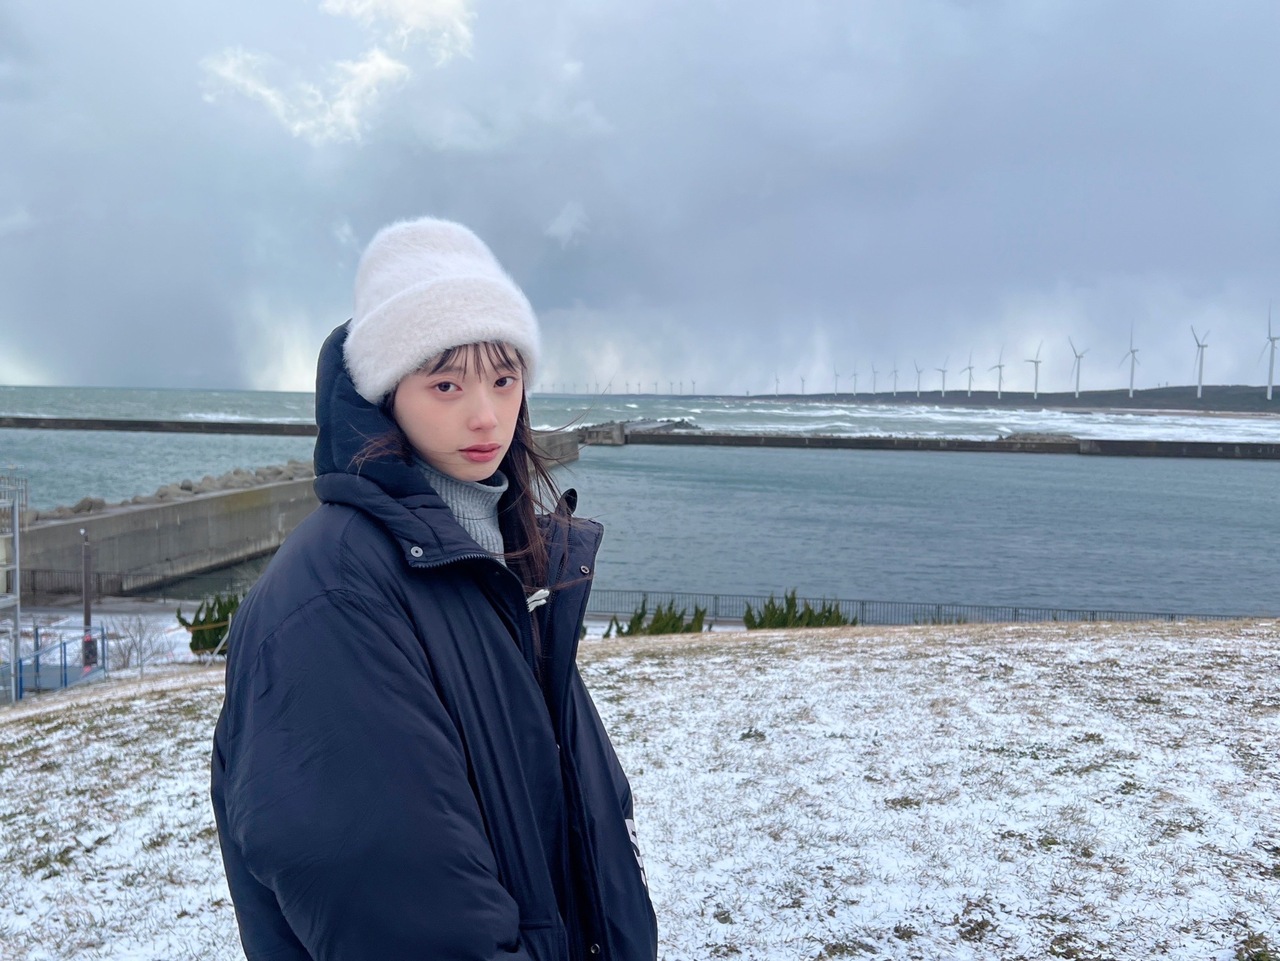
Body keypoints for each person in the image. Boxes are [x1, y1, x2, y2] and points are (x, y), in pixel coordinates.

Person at [210, 217, 658, 961]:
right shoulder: (333, 599)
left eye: (504, 379)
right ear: (387, 391)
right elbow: (401, 905)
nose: (486, 415)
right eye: (446, 384)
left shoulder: (507, 554)